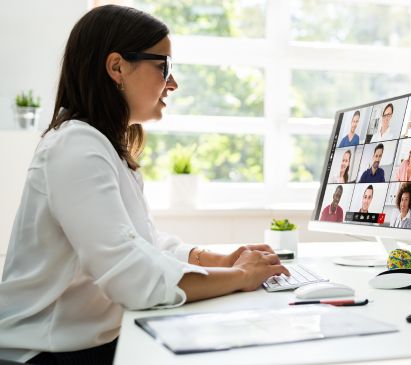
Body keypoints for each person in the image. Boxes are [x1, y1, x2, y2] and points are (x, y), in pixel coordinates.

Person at [0, 6, 289, 365]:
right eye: (164, 66)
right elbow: (131, 275)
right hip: (43, 349)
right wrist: (239, 276)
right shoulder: (75, 146)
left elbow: (145, 245)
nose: (173, 83)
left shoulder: (103, 146)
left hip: (80, 342)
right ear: (117, 67)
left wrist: (220, 260)